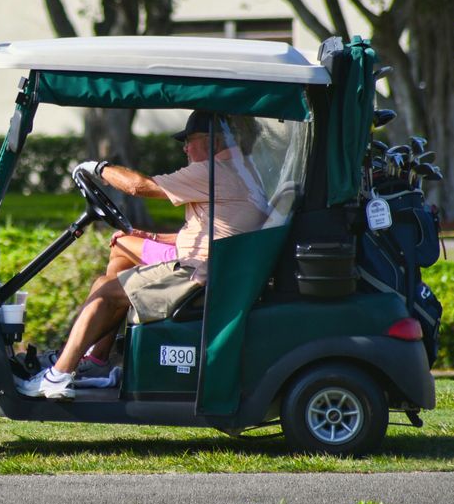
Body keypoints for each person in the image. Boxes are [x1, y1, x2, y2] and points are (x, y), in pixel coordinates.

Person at [18, 110, 268, 399]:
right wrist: (148, 236)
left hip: (199, 274)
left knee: (104, 294)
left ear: (213, 142)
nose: (185, 148)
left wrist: (96, 168)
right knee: (114, 268)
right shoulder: (241, 171)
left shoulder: (213, 172)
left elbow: (140, 186)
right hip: (215, 265)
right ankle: (94, 359)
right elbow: (209, 231)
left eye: (189, 141)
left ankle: (58, 375)